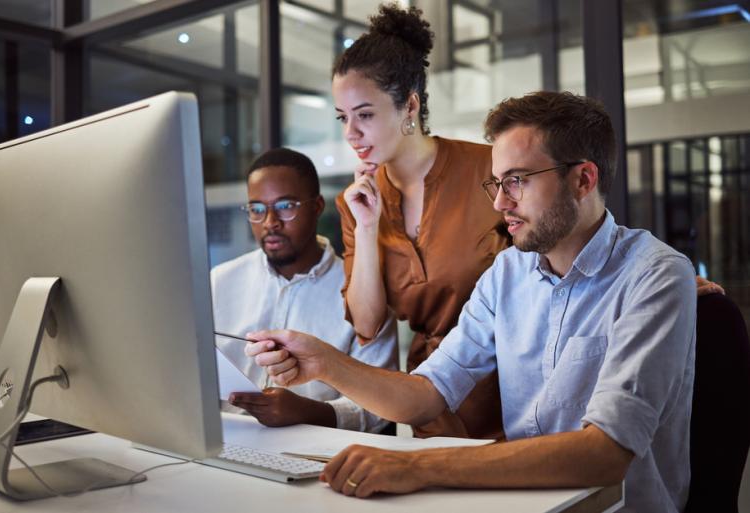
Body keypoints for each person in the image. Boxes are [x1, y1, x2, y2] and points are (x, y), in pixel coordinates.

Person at [246, 92, 696, 512]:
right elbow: (425, 395)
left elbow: (605, 454)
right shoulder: (507, 274)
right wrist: (324, 363)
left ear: (583, 179)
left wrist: (418, 466)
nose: (500, 202)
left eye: (517, 181)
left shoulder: (654, 275)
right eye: (497, 183)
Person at [332, 2, 508, 439]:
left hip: (513, 391)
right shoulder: (356, 203)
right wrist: (369, 227)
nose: (350, 134)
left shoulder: (491, 168)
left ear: (409, 106)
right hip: (430, 401)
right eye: (343, 118)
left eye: (365, 115)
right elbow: (369, 325)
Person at [211, 147, 397, 433]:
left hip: (320, 454)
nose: (270, 222)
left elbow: (384, 406)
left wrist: (310, 412)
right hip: (227, 442)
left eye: (285, 206)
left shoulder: (362, 291)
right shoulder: (220, 282)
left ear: (317, 207)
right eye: (257, 209)